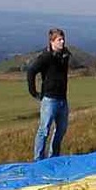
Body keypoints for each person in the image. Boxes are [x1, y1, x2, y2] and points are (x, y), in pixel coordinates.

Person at [26, 28, 71, 161]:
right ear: (52, 41)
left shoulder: (65, 55)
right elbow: (31, 71)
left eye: (63, 39)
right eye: (59, 40)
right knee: (44, 130)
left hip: (62, 99)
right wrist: (33, 91)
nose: (62, 42)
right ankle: (38, 159)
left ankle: (54, 157)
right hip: (50, 99)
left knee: (61, 130)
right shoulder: (46, 57)